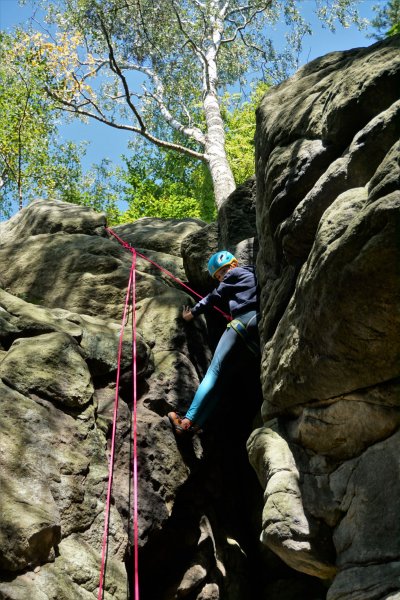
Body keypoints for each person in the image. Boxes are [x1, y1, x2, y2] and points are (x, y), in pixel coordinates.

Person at [168, 250, 260, 435]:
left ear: (233, 265)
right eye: (218, 276)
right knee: (222, 380)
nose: (221, 278)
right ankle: (195, 426)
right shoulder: (254, 273)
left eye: (222, 272)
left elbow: (214, 297)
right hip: (255, 333)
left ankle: (187, 421)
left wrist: (192, 313)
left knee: (214, 372)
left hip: (241, 324)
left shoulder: (235, 273)